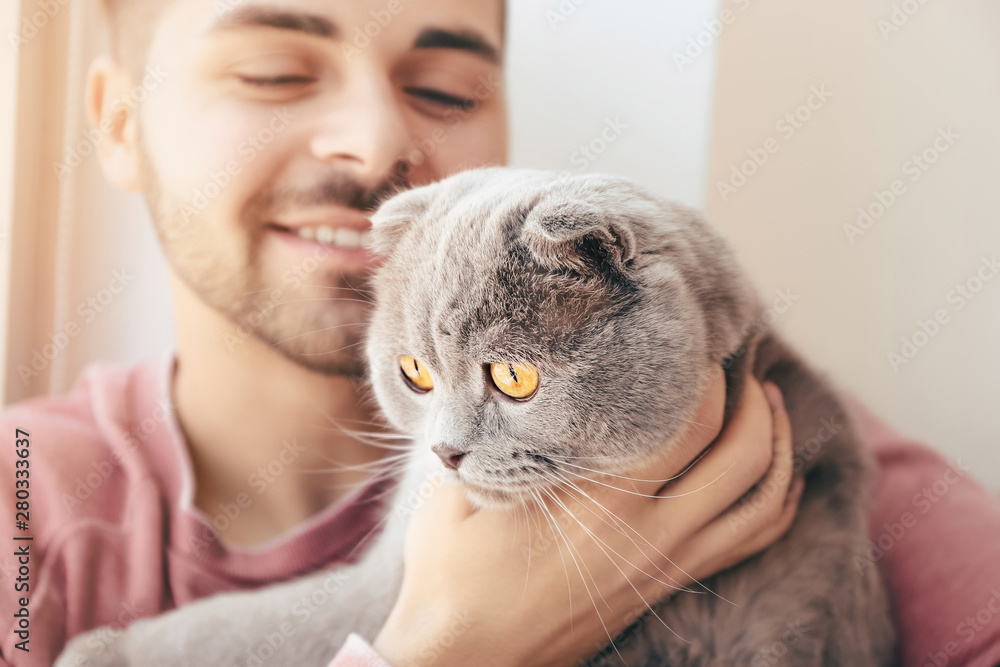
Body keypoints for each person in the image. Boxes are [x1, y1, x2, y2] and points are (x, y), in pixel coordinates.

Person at [2, 1, 998, 666]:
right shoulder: (23, 499)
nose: (379, 140)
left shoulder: (774, 438)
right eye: (273, 73)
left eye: (444, 90)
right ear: (118, 121)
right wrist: (447, 646)